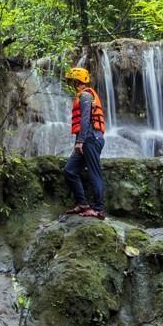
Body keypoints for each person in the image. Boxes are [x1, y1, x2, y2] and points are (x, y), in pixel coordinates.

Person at [61, 66, 105, 218]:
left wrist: (80, 142)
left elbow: (85, 120)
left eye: (71, 82)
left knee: (94, 173)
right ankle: (83, 204)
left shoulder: (86, 96)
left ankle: (98, 209)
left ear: (77, 82)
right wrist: (78, 143)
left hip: (91, 138)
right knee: (70, 170)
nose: (69, 85)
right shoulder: (81, 96)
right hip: (87, 139)